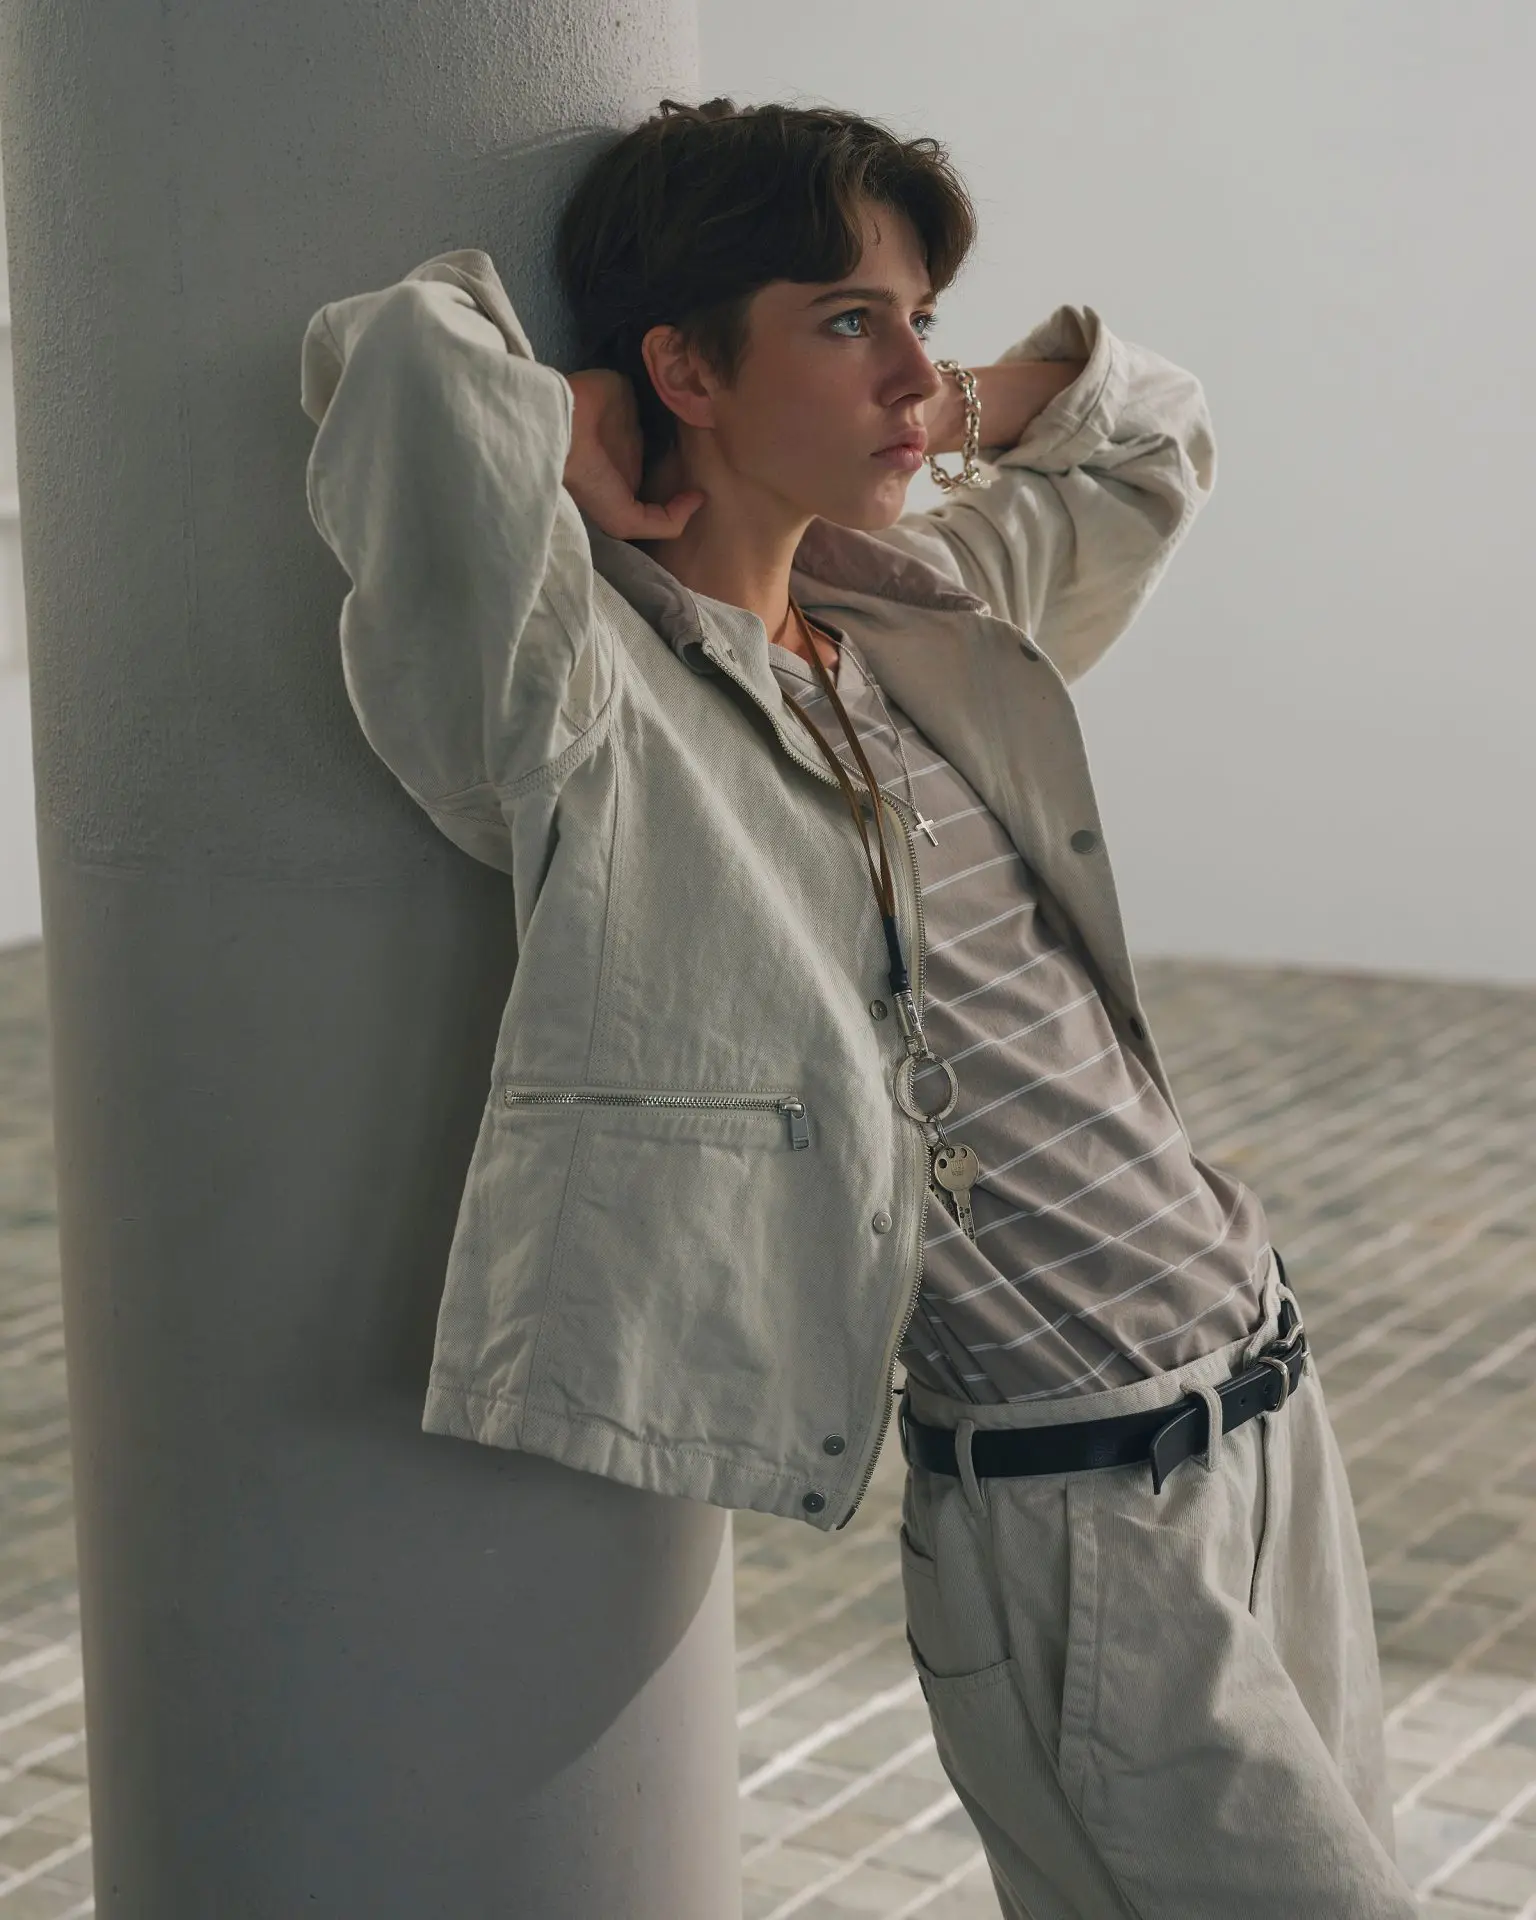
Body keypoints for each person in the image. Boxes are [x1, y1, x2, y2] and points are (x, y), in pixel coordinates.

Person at [299, 95, 1417, 1920]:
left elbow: (1154, 430)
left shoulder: (917, 609)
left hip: (1273, 1416)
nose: (913, 374)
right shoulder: (591, 703)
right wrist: (574, 419)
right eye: (845, 321)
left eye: (920, 319)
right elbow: (403, 374)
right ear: (686, 367)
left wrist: (937, 400)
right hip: (1080, 1525)